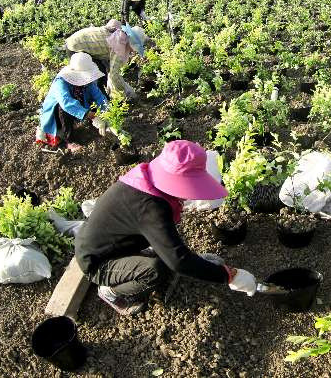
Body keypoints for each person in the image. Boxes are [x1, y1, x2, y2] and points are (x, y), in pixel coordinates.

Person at [74, 140, 258, 315]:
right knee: (156, 270)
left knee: (165, 248)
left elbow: (170, 243)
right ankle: (110, 291)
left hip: (114, 243)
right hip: (98, 261)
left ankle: (136, 260)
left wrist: (198, 263)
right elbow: (178, 261)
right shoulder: (150, 207)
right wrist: (229, 276)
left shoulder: (147, 179)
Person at [35, 52, 109, 153]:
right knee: (63, 108)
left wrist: (107, 114)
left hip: (79, 108)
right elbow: (66, 102)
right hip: (57, 114)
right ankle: (69, 140)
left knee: (93, 100)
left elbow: (99, 97)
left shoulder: (88, 82)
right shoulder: (60, 82)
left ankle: (90, 122)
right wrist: (90, 115)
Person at [65, 20, 147, 99]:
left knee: (103, 73)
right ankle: (101, 102)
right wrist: (126, 91)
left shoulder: (120, 34)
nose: (133, 51)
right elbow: (114, 75)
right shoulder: (119, 45)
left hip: (78, 41)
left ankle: (105, 97)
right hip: (75, 47)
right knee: (96, 76)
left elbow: (109, 66)